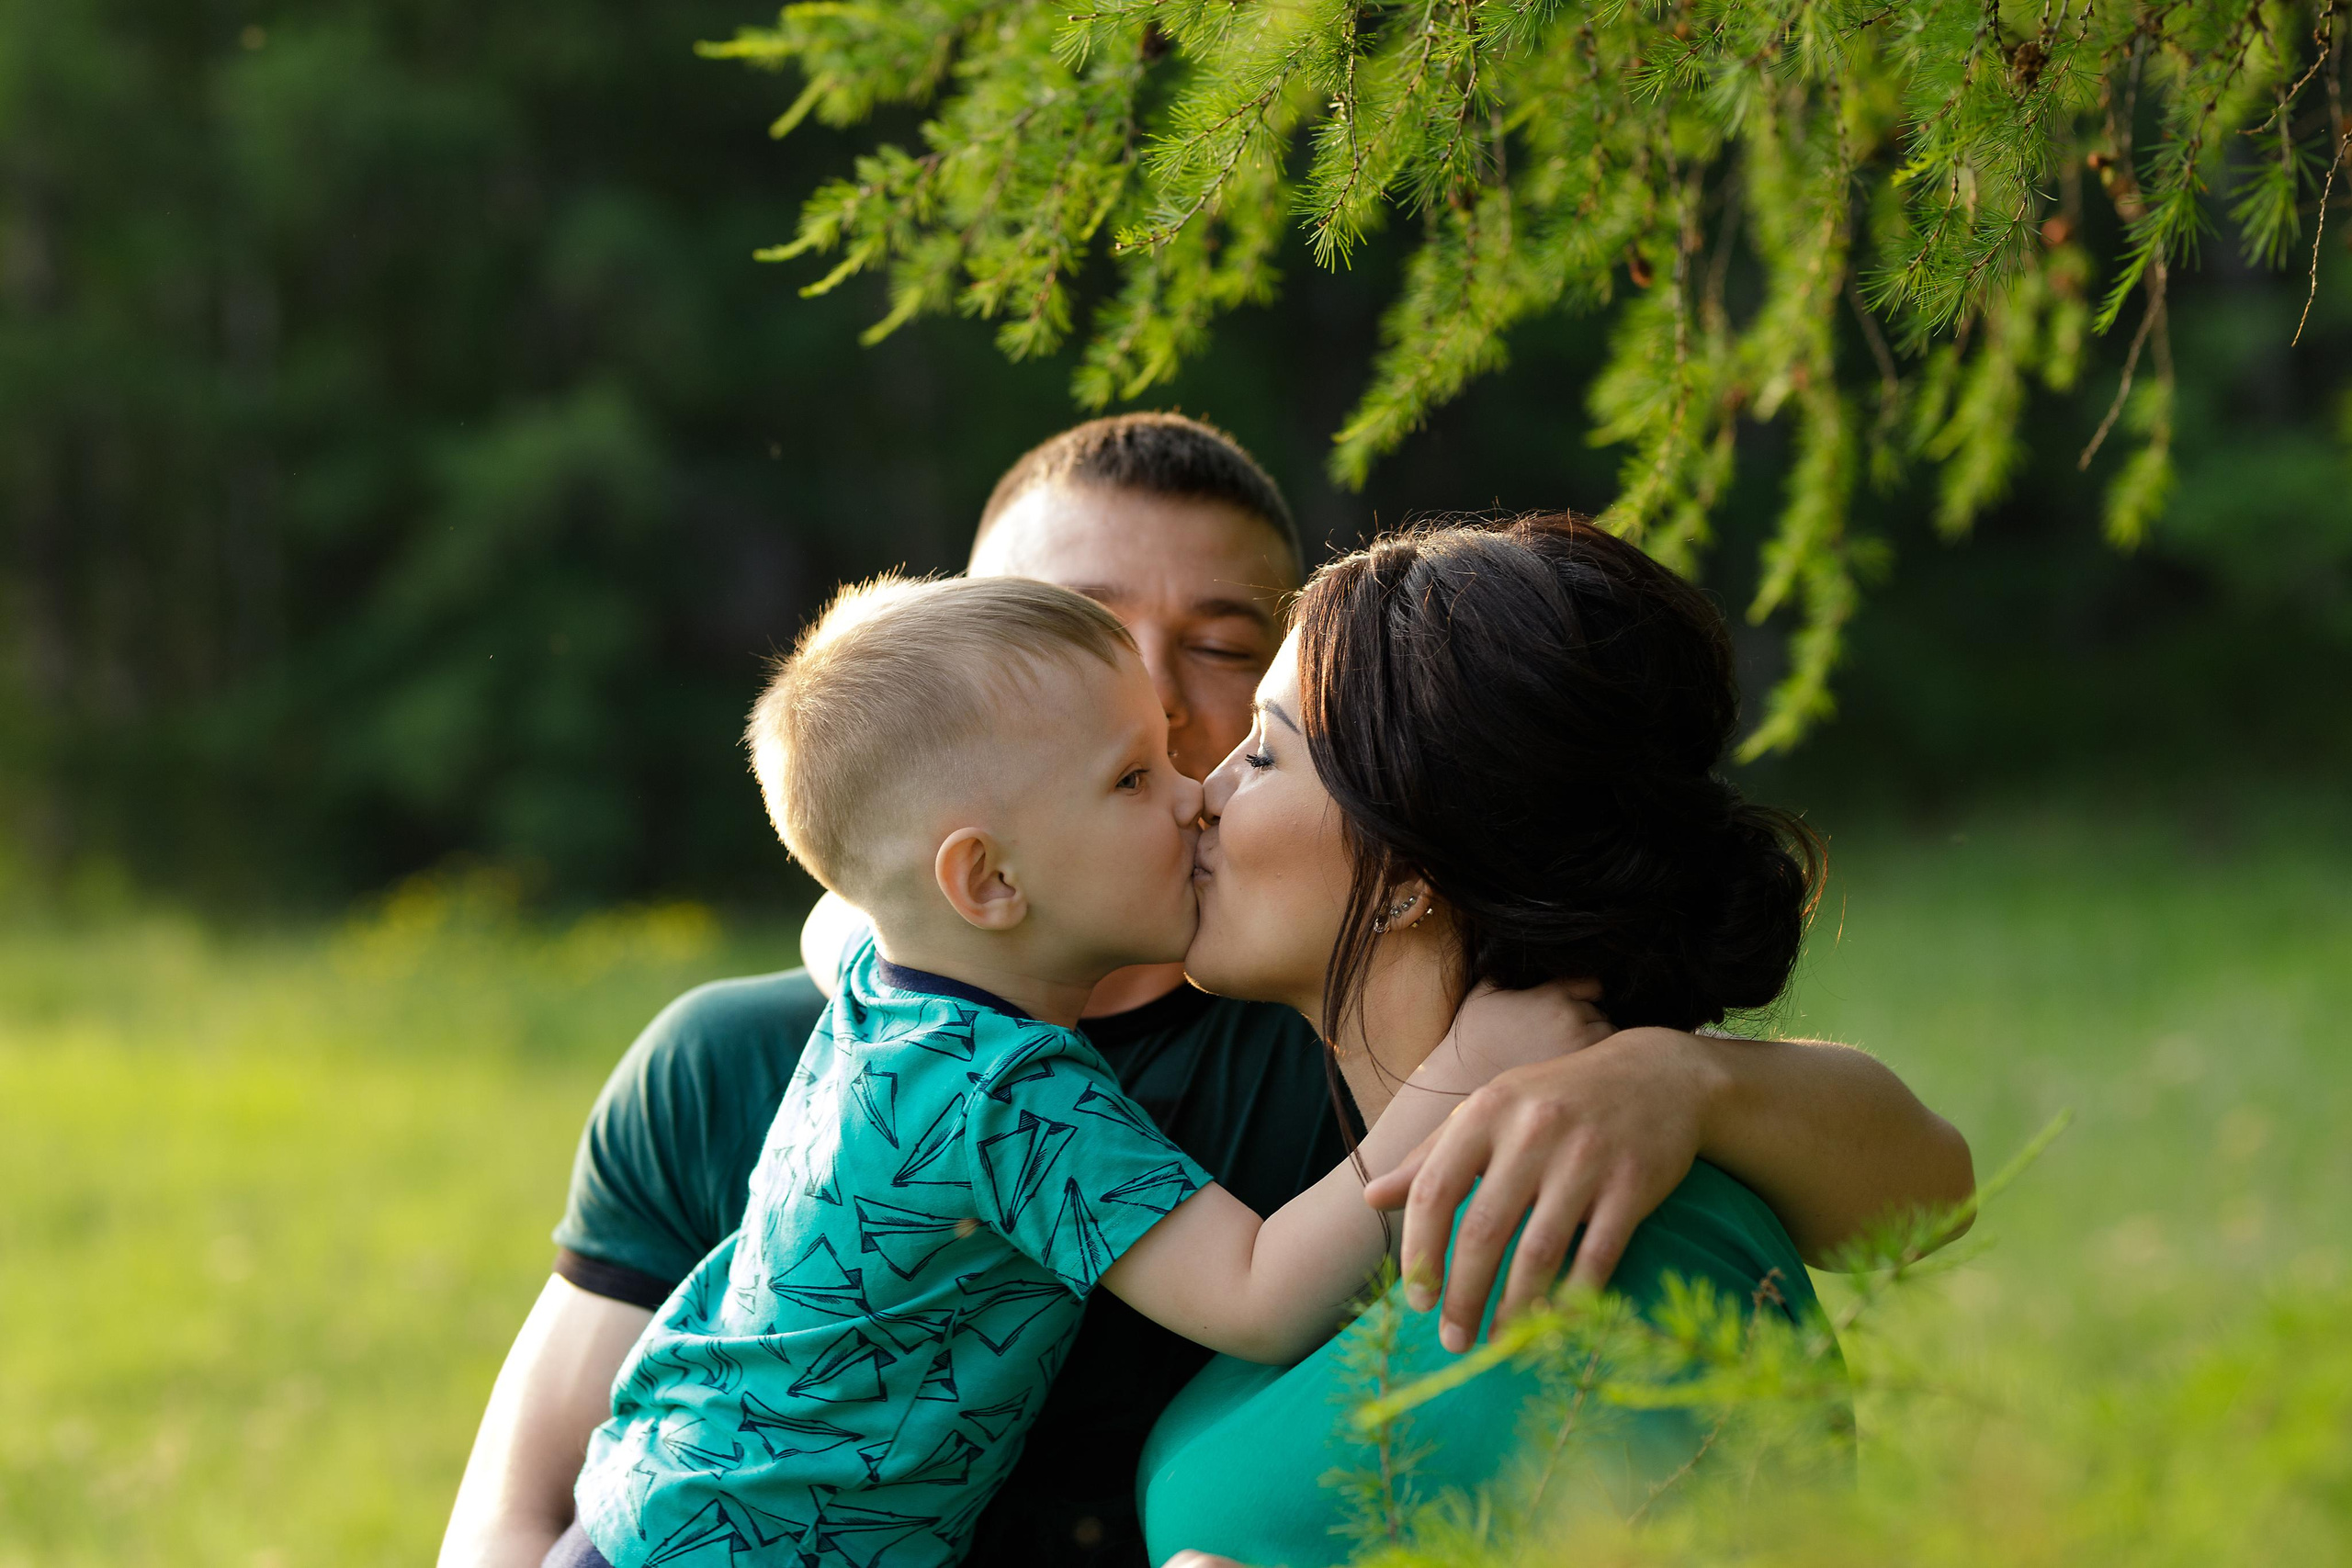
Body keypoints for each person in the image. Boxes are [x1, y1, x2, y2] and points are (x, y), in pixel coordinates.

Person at [438, 414, 1973, 1568]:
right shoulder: (783, 1050)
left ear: (1416, 843)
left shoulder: (1490, 1149)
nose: (1181, 731)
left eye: (1244, 699)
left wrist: (1674, 1076)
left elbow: (1917, 1186)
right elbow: (519, 1504)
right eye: (1077, 654)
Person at [556, 573, 1579, 1568]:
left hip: (654, 1506)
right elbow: (1257, 1293)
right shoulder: (1011, 1099)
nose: (1195, 798)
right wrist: (1471, 1073)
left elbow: (852, 911)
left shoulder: (891, 984)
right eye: (1134, 778)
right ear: (988, 879)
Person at [1146, 514, 1850, 1566]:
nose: (1199, 796)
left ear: (1406, 875)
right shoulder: (1355, 1187)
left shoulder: (1599, 1238)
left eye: (1261, 754)